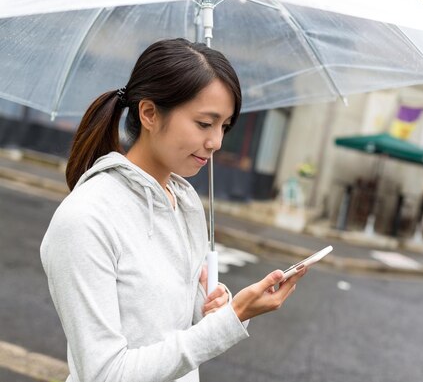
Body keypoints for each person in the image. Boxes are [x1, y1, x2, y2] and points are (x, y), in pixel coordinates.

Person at [40, 38, 307, 382]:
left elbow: (173, 326)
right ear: (149, 113)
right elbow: (104, 374)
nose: (217, 142)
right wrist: (233, 318)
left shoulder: (184, 201)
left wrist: (216, 305)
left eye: (224, 126)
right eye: (204, 124)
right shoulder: (86, 219)